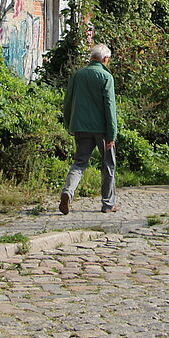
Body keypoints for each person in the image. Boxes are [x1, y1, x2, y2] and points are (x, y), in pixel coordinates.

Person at [59, 44, 120, 214]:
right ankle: (108, 204)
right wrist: (112, 133)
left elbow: (68, 101)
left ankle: (68, 192)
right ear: (105, 59)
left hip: (80, 127)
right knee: (108, 164)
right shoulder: (106, 77)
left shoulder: (78, 75)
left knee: (79, 163)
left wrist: (69, 123)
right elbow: (110, 106)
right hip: (102, 129)